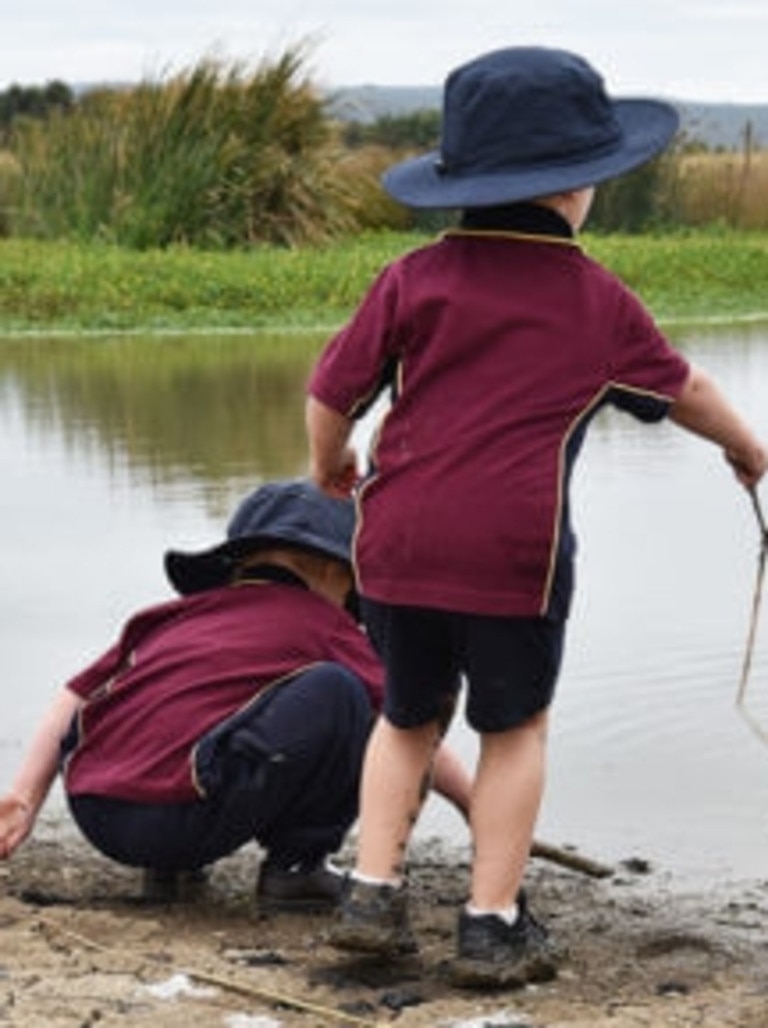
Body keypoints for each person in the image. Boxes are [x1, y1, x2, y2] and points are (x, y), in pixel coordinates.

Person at [305, 46, 768, 987]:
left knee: (405, 717)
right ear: (577, 189)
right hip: (514, 560)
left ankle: (373, 892)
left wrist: (331, 465)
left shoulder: (411, 278)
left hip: (393, 546)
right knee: (513, 730)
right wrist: (747, 449)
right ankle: (489, 923)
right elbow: (683, 389)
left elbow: (331, 391)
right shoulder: (595, 300)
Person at [0, 478, 471, 909]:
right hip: (181, 821)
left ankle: (169, 871)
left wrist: (24, 798)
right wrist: (474, 805)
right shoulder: (328, 626)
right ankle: (296, 867)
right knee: (342, 692)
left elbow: (73, 698)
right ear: (329, 570)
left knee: (167, 708)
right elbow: (409, 723)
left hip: (97, 813)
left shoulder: (169, 617)